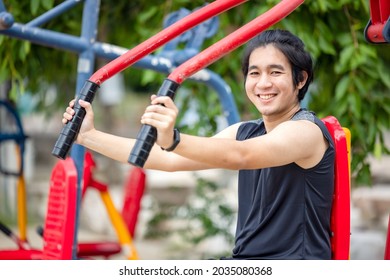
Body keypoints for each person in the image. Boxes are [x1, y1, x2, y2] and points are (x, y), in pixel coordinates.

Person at [62, 29, 335, 259]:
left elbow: (242, 156)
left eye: (275, 72)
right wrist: (88, 136)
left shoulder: (306, 131)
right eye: (255, 73)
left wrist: (173, 138)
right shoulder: (245, 131)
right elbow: (167, 160)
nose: (263, 83)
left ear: (300, 79)